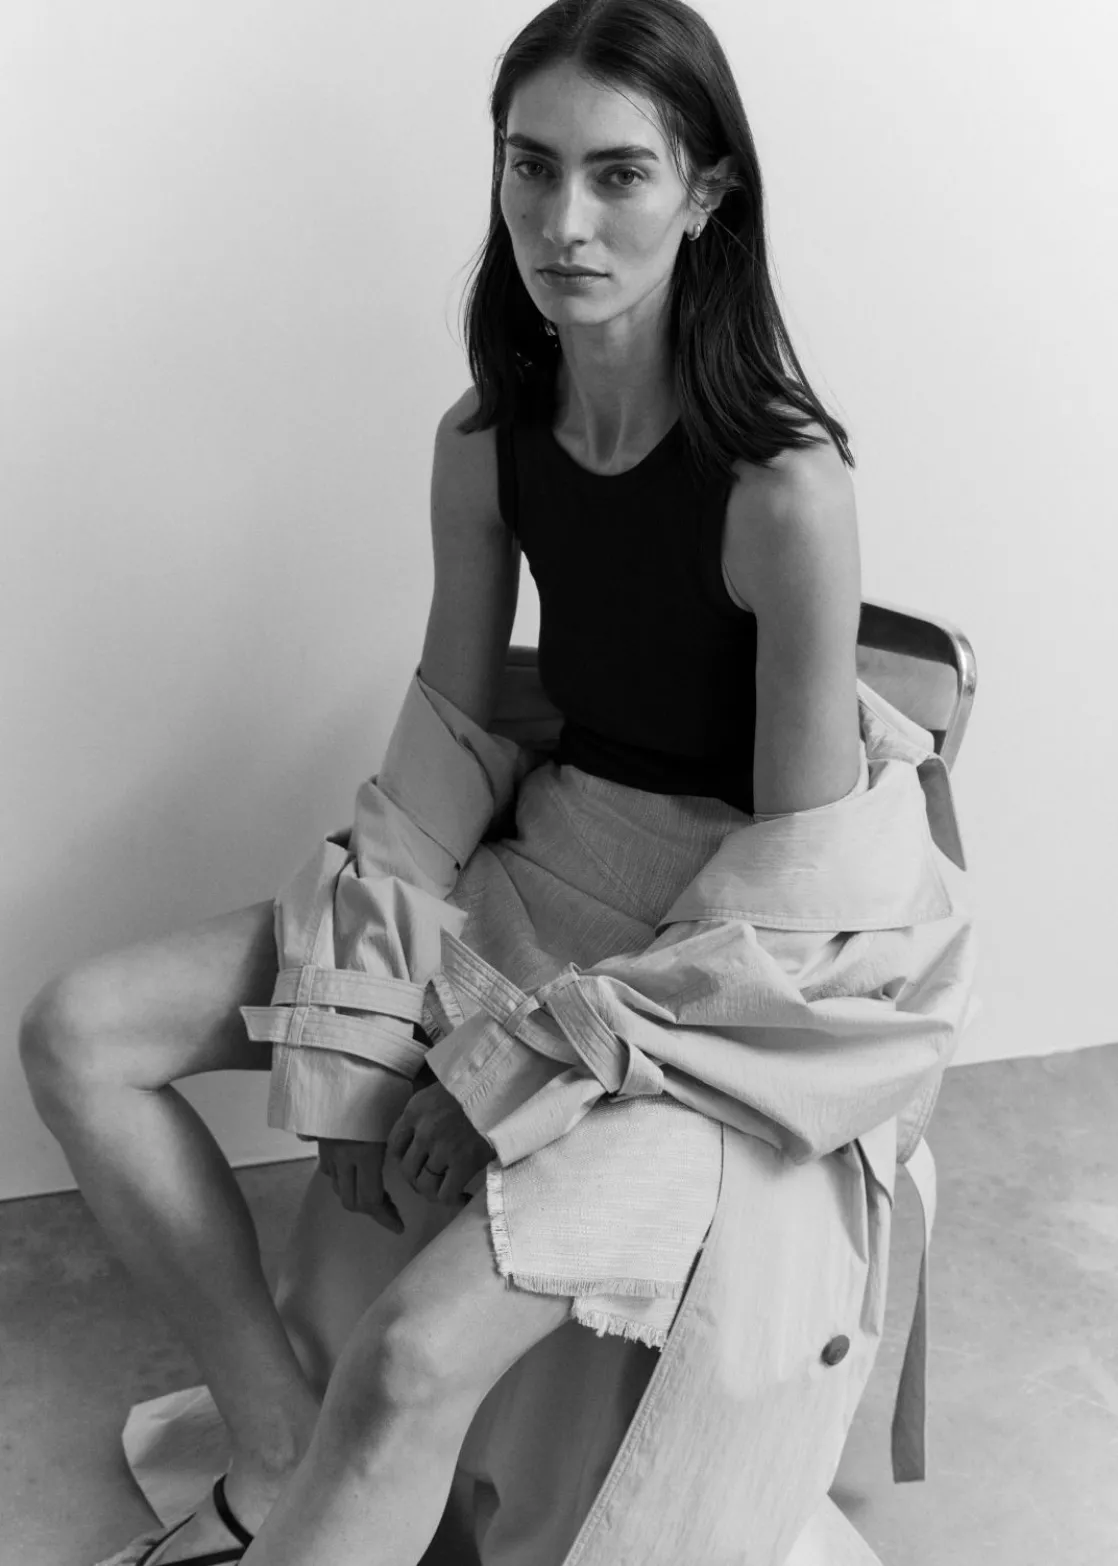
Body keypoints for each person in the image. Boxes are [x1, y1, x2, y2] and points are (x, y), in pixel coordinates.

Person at [20, 3, 974, 1564]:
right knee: (80, 1030)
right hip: (535, 870)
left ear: (707, 191)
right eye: (531, 167)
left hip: (707, 982)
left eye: (618, 174)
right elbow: (443, 753)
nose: (563, 222)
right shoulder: (483, 441)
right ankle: (273, 1446)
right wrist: (350, 1025)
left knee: (411, 1356)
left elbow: (788, 917)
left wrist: (505, 1077)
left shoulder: (785, 493)